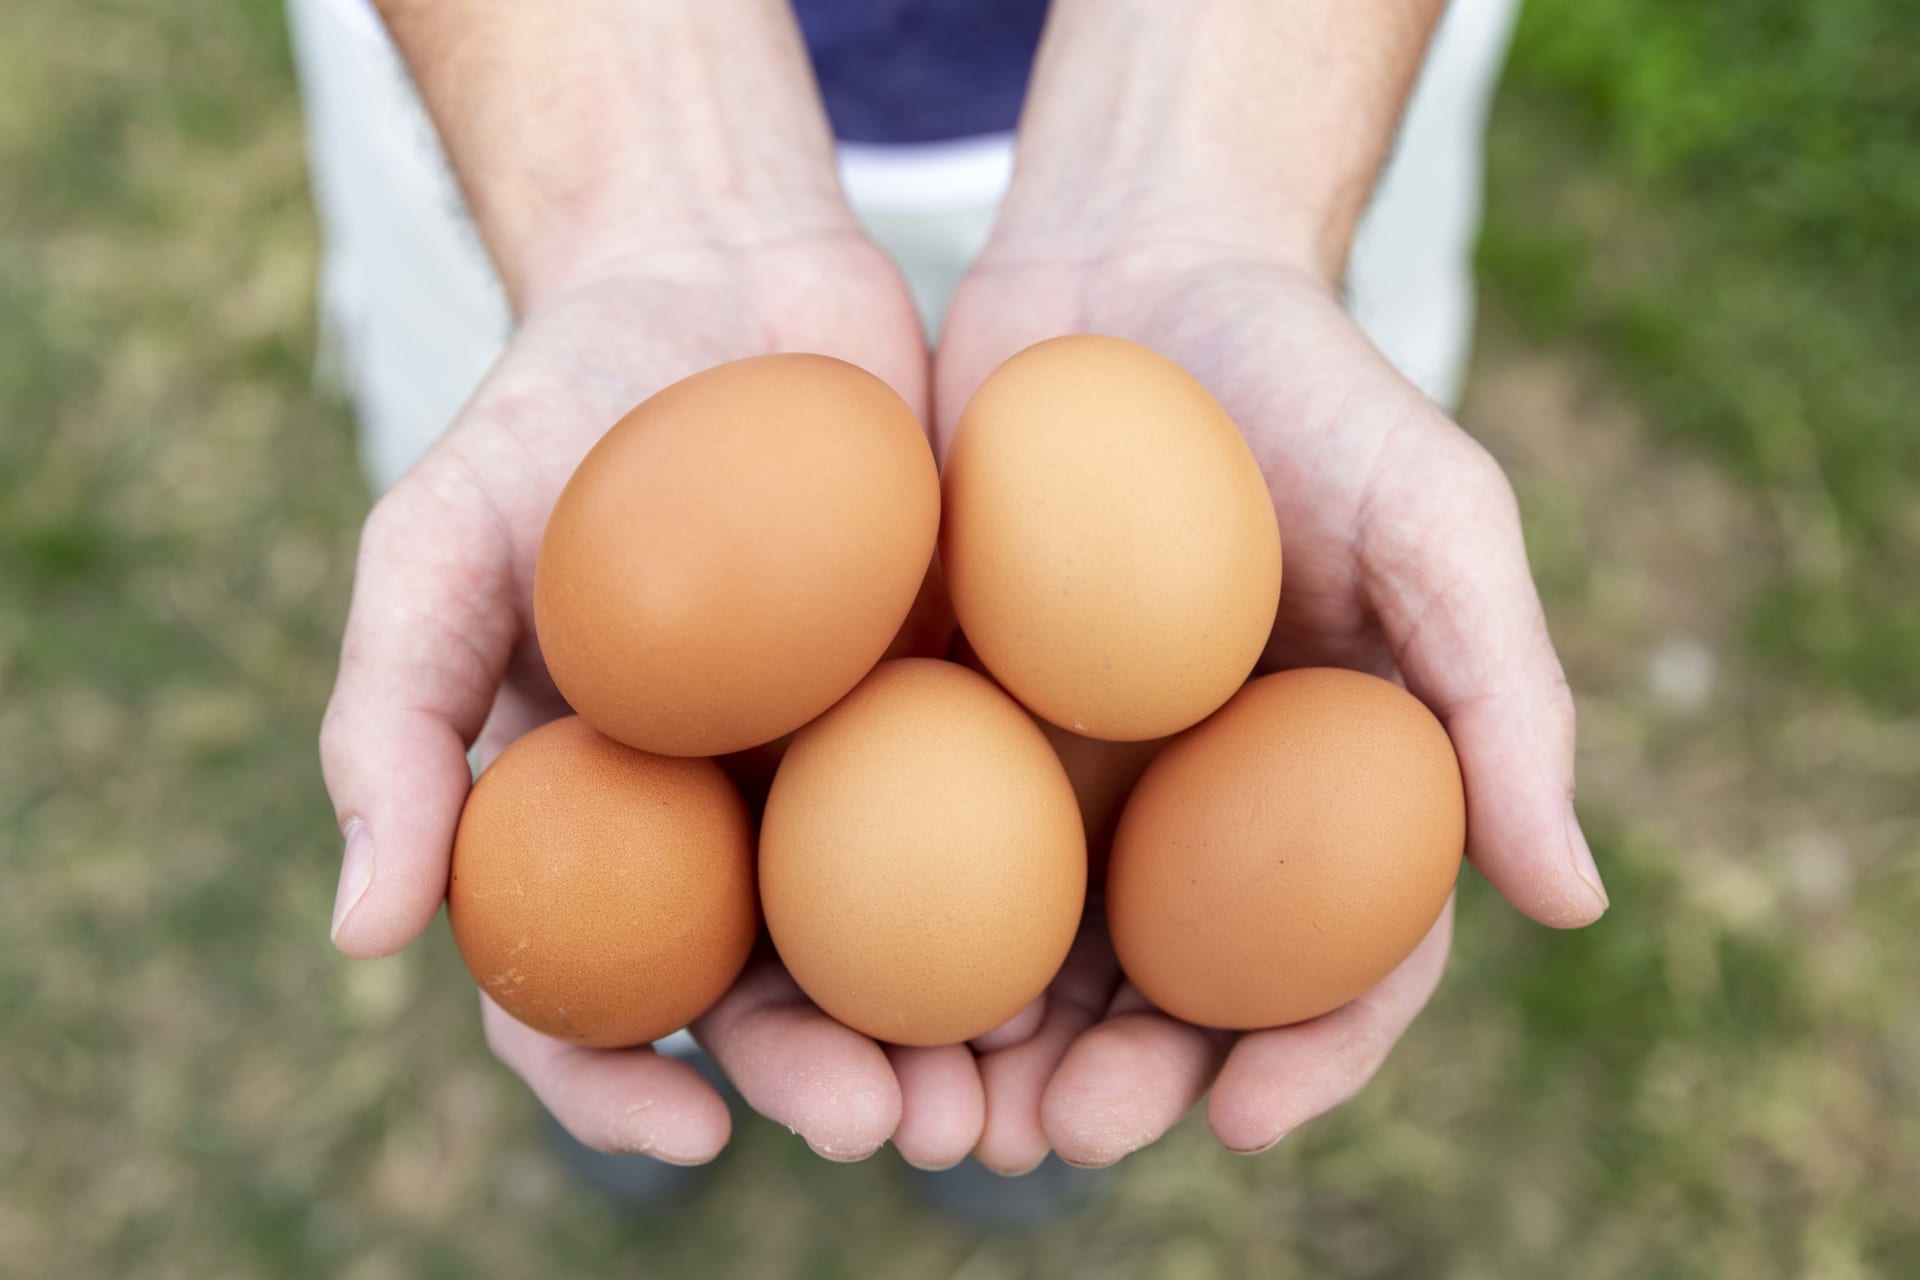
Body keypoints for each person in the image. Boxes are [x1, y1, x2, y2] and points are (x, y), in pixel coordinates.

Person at [296, 0, 1609, 1179]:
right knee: (630, 828)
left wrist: (1220, 193)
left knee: (971, 914)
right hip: (556, 110)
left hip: (1270, 85)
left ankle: (983, 1033)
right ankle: (707, 1020)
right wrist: (629, 194)